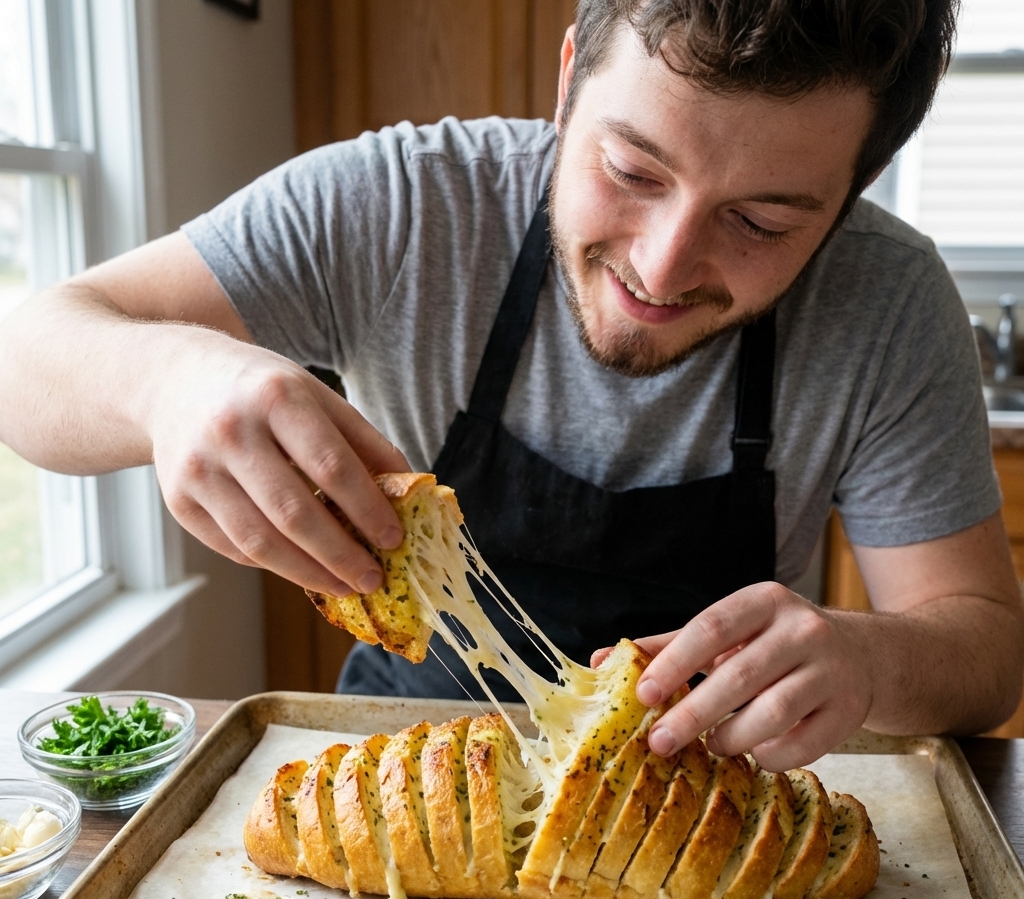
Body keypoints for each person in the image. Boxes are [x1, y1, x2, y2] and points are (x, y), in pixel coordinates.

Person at [1, 0, 1021, 772]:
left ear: (848, 200)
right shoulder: (401, 204)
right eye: (630, 169)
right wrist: (168, 378)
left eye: (760, 223)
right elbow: (26, 354)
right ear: (568, 80)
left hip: (700, 800)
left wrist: (868, 661)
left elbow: (983, 652)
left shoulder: (889, 301)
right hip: (406, 766)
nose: (661, 270)